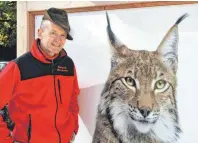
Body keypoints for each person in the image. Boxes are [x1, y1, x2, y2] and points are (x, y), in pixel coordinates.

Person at [0, 7, 80, 143]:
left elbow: (73, 99)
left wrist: (73, 128)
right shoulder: (18, 67)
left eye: (63, 35)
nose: (58, 40)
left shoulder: (68, 65)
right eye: (53, 33)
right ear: (40, 33)